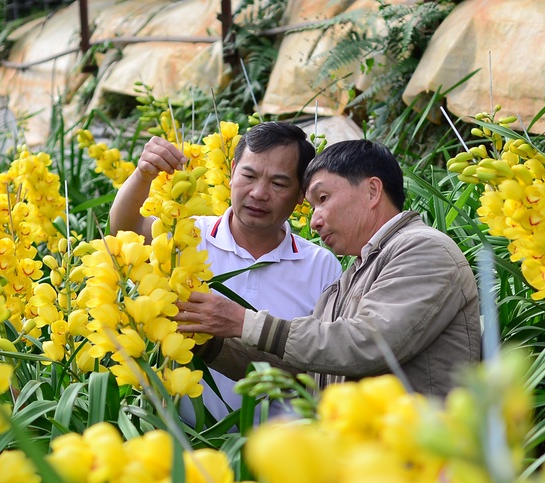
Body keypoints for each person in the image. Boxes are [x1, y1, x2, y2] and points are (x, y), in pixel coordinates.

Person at [175, 139, 482, 398]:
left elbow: (368, 344)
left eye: (323, 199)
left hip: (418, 459)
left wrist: (242, 321)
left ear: (373, 191)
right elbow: (307, 369)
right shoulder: (352, 276)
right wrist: (205, 341)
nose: (314, 221)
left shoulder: (423, 249)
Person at [109, 122, 343, 424]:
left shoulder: (321, 267)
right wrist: (143, 175)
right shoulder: (187, 235)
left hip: (277, 451)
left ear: (301, 195)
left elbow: (328, 362)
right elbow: (124, 231)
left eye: (279, 184)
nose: (259, 193)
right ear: (231, 172)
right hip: (181, 440)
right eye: (249, 175)